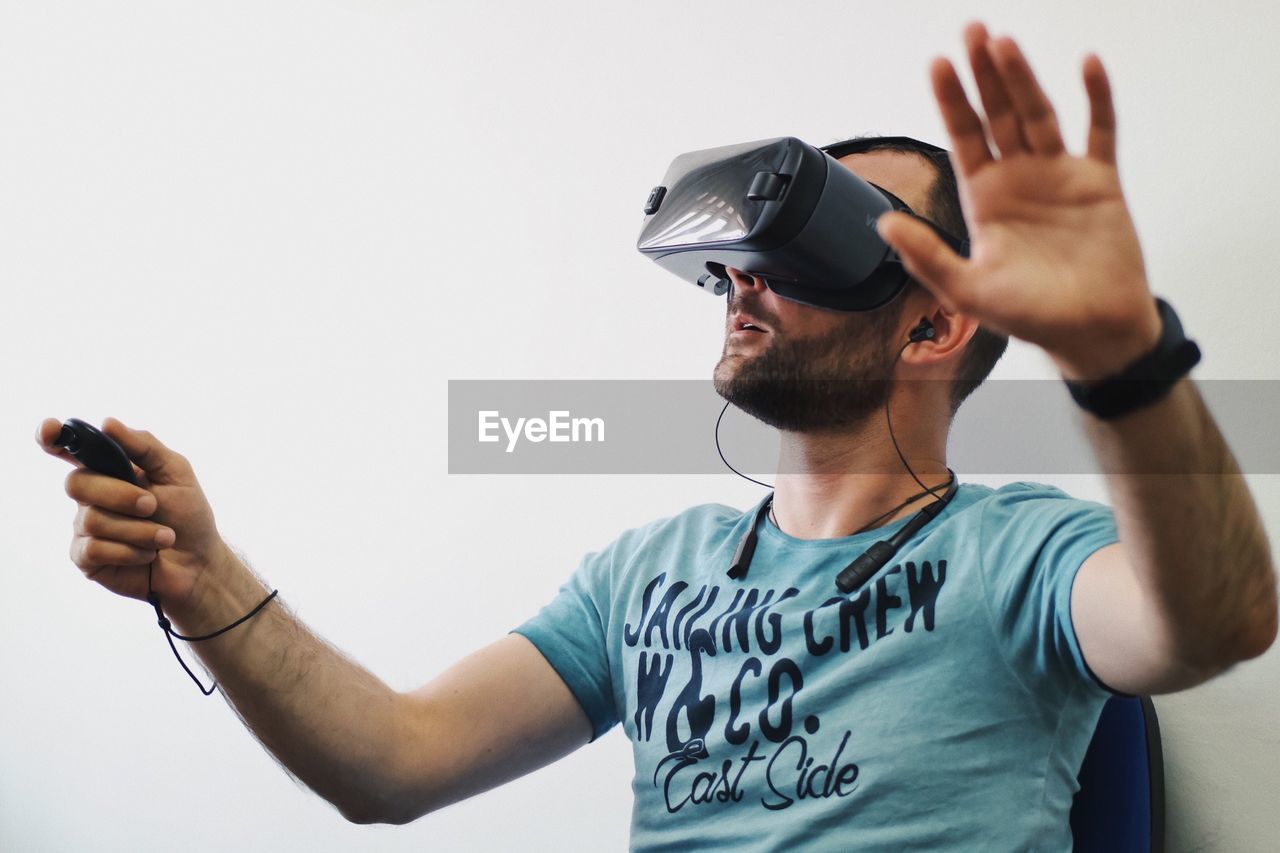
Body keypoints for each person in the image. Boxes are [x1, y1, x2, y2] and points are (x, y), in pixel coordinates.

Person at [37, 21, 1276, 851]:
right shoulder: (646, 572)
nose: (746, 274)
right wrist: (206, 579)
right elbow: (393, 762)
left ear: (931, 326)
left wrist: (1121, 359)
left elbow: (1212, 621)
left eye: (824, 237)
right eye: (743, 247)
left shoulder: (1023, 556)